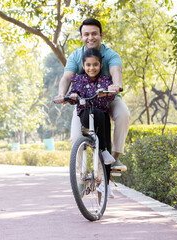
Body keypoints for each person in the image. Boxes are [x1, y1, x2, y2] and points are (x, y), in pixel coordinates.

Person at [54, 18, 130, 172]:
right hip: (85, 102)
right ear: (81, 37)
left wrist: (116, 85)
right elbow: (67, 77)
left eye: (94, 34)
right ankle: (81, 176)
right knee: (76, 137)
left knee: (124, 114)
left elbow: (116, 71)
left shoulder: (110, 54)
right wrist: (62, 94)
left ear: (101, 35)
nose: (90, 38)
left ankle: (114, 159)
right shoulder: (75, 56)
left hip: (109, 99)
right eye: (86, 34)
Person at [66, 48, 116, 166]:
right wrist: (73, 96)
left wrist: (106, 92)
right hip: (85, 114)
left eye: (95, 65)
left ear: (101, 65)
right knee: (90, 114)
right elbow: (73, 95)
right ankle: (80, 168)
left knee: (101, 116)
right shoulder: (78, 80)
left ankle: (104, 152)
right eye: (88, 65)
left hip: (101, 116)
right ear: (83, 65)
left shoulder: (105, 80)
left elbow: (111, 98)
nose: (92, 68)